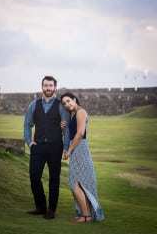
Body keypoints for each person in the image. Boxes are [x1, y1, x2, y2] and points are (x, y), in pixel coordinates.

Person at [24, 76, 70, 219]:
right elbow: (27, 124)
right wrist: (29, 141)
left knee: (54, 179)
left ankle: (51, 209)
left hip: (56, 146)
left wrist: (66, 147)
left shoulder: (61, 105)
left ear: (55, 87)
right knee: (34, 176)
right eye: (46, 85)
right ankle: (41, 207)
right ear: (42, 87)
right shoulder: (34, 104)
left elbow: (66, 128)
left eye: (51, 85)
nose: (48, 88)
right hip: (38, 147)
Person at [60, 92, 104, 223]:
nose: (67, 104)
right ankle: (86, 216)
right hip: (77, 149)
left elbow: (80, 133)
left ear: (74, 99)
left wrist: (69, 150)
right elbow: (73, 133)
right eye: (64, 103)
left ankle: (85, 216)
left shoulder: (80, 112)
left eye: (68, 101)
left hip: (80, 149)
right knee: (79, 183)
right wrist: (63, 129)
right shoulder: (74, 114)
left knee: (74, 183)